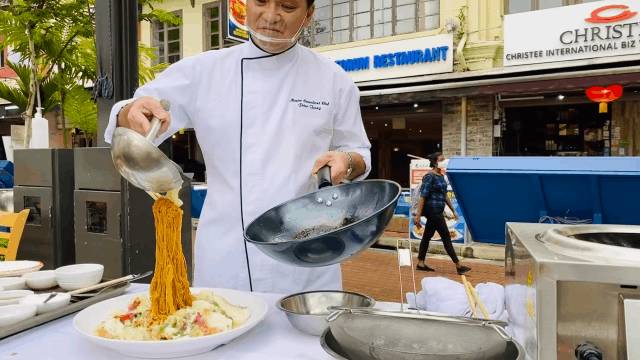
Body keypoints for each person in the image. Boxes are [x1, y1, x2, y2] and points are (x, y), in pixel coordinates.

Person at [105, 0, 371, 294]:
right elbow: (136, 113)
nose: (271, 16)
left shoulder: (333, 80)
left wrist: (347, 160)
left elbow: (358, 151)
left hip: (305, 253)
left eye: (287, 6)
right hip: (227, 254)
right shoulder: (204, 71)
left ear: (308, 15)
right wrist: (129, 112)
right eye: (260, 2)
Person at [413, 153, 470, 275]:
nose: (444, 161)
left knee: (427, 236)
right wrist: (418, 215)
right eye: (441, 159)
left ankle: (420, 262)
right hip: (432, 210)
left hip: (438, 211)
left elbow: (444, 195)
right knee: (445, 236)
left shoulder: (441, 176)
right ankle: (458, 265)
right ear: (435, 162)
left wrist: (453, 210)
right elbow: (423, 196)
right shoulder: (430, 176)